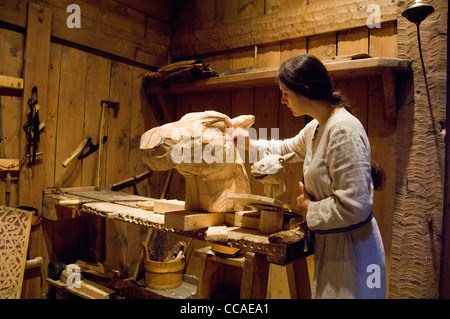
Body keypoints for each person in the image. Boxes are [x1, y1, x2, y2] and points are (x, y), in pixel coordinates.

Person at [233, 53, 386, 299]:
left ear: (304, 90)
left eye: (285, 93)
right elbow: (286, 149)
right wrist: (248, 144)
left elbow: (355, 207)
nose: (282, 100)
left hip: (353, 250)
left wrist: (308, 208)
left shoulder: (343, 130)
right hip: (333, 245)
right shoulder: (316, 126)